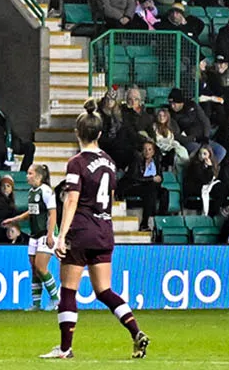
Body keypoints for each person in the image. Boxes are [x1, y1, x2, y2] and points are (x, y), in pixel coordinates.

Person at [44, 111, 147, 359]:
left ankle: (65, 349)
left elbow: (71, 200)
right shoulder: (110, 162)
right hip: (104, 230)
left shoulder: (76, 163)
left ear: (77, 133)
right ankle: (136, 332)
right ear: (100, 134)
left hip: (81, 230)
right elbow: (110, 200)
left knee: (68, 290)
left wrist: (61, 236)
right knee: (104, 291)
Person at [7, 164, 62, 311]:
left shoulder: (46, 191)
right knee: (34, 268)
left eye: (30, 173)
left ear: (38, 176)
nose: (27, 176)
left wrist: (50, 234)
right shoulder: (32, 191)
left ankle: (55, 298)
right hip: (34, 233)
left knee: (41, 266)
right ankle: (36, 304)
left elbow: (53, 213)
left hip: (45, 232)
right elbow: (31, 212)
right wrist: (15, 220)